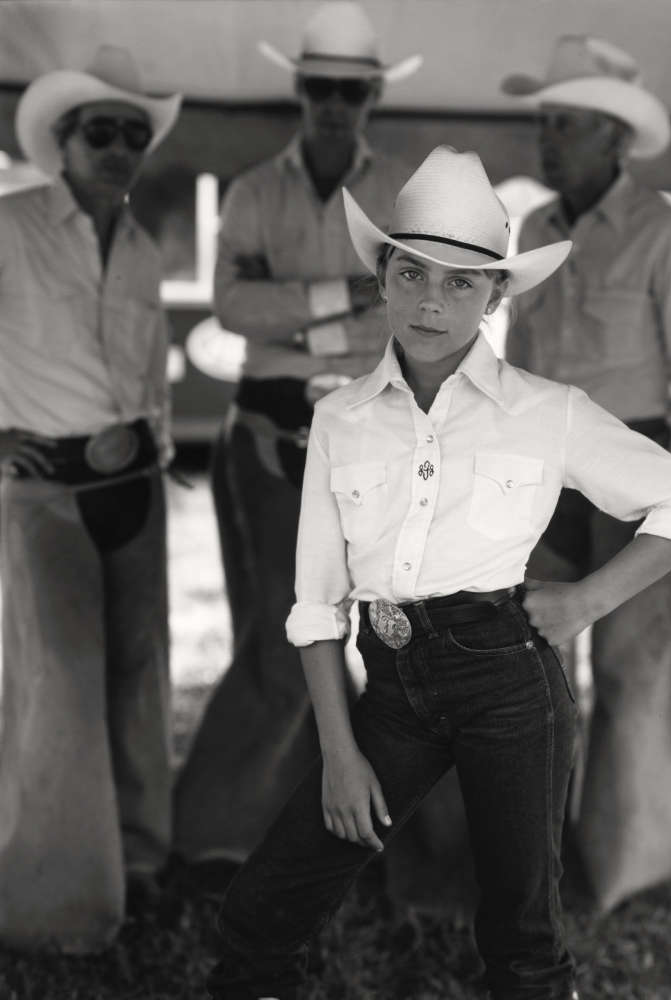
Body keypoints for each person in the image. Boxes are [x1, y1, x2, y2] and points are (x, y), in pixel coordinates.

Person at [205, 145, 671, 1000]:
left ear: (495, 297)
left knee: (521, 937)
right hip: (394, 695)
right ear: (380, 277)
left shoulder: (547, 413)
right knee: (262, 908)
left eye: (460, 282)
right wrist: (338, 753)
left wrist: (587, 600)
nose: (431, 301)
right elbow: (315, 607)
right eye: (411, 273)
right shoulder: (339, 419)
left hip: (510, 684)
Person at [172, 0, 420, 890]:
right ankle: (215, 837)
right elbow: (234, 309)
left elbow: (404, 304)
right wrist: (337, 303)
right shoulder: (252, 191)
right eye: (320, 85)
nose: (333, 101)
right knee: (282, 640)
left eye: (349, 89)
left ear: (372, 95)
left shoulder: (403, 190)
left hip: (373, 433)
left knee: (397, 641)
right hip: (272, 434)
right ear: (299, 89)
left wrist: (298, 308)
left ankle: (382, 833)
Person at [501, 35, 671, 908]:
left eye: (564, 123)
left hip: (638, 472)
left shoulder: (664, 233)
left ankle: (630, 853)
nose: (547, 139)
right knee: (532, 661)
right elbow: (516, 364)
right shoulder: (532, 231)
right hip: (544, 475)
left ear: (612, 135)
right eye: (545, 123)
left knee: (640, 670)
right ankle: (538, 846)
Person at [0, 45, 181, 952]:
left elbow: (148, 370)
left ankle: (143, 861)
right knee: (60, 681)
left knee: (140, 670)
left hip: (134, 478)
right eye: (100, 130)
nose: (118, 147)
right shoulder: (11, 224)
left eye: (133, 135)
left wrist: (157, 433)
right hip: (43, 487)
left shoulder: (144, 246)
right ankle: (60, 889)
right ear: (62, 140)